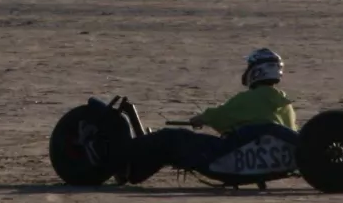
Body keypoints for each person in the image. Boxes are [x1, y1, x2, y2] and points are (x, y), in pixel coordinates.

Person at [121, 48, 297, 185]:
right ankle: (135, 171)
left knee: (170, 138)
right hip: (264, 164)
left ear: (256, 71)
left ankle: (124, 159)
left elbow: (222, 116)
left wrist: (202, 118)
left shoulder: (251, 98)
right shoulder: (286, 104)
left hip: (231, 159)